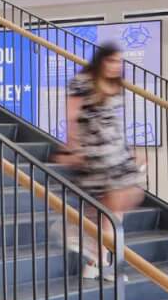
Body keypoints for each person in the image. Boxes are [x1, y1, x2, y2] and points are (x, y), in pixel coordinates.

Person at [56, 42, 146, 280]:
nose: (116, 66)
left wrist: (130, 147)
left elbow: (115, 120)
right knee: (111, 208)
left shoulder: (116, 86)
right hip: (96, 152)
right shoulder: (83, 82)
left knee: (120, 203)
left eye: (119, 62)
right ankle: (100, 259)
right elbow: (72, 115)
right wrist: (72, 145)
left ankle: (97, 257)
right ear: (101, 60)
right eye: (112, 61)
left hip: (117, 151)